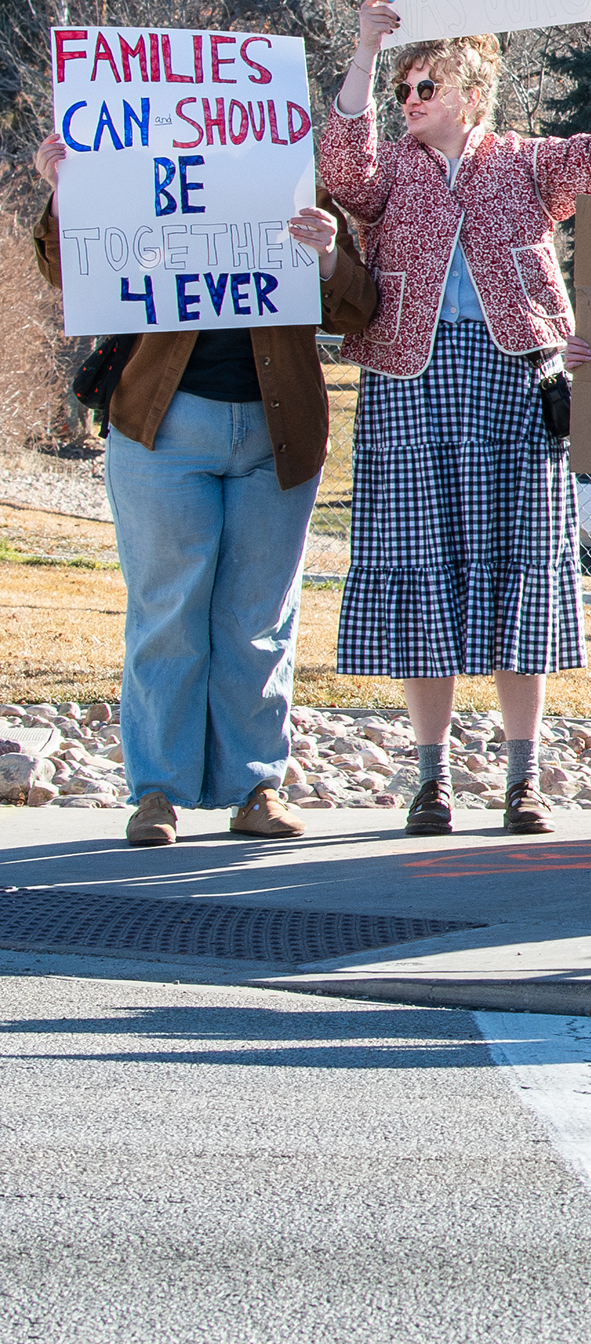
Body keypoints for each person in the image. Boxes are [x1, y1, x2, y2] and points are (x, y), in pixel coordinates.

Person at [320, 0, 591, 835]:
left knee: (520, 580)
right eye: (403, 90)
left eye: (424, 87)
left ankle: (522, 779)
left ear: (473, 89)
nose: (409, 102)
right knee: (420, 571)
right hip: (409, 379)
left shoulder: (528, 161)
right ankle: (429, 780)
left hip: (515, 381)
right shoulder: (390, 169)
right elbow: (339, 165)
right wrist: (365, 48)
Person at [33, 137, 371, 847]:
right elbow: (71, 272)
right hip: (162, 431)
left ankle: (256, 787)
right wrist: (67, 187)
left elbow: (355, 311)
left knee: (259, 618)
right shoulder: (140, 181)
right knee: (168, 611)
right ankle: (158, 792)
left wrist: (329, 255)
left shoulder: (297, 186)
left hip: (278, 438)